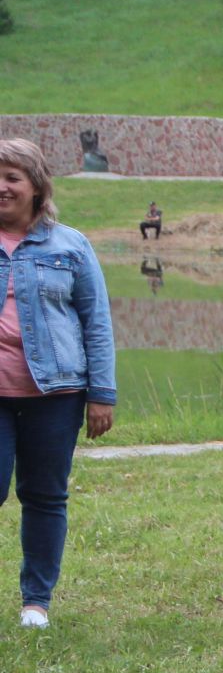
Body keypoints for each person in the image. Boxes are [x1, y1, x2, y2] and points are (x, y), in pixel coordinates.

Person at [0, 138, 116, 629]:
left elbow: (97, 321)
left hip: (58, 394)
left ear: (36, 185)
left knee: (45, 495)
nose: (2, 186)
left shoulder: (70, 244)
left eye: (12, 177)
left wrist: (102, 394)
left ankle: (36, 603)